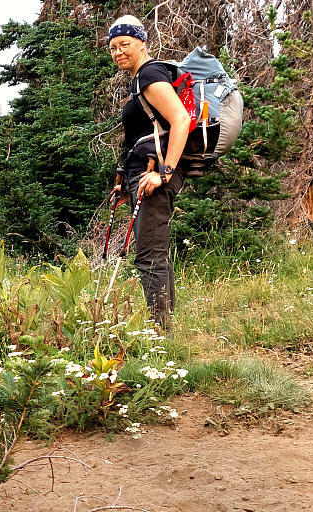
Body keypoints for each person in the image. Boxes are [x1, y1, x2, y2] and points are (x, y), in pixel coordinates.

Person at [108, 15, 190, 328]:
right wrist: (124, 185)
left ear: (142, 43)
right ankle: (168, 326)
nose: (118, 52)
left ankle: (161, 334)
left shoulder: (150, 74)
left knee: (148, 256)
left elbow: (181, 120)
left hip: (154, 176)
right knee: (156, 252)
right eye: (113, 48)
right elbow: (140, 136)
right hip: (141, 176)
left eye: (124, 44)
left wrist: (165, 173)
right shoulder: (140, 79)